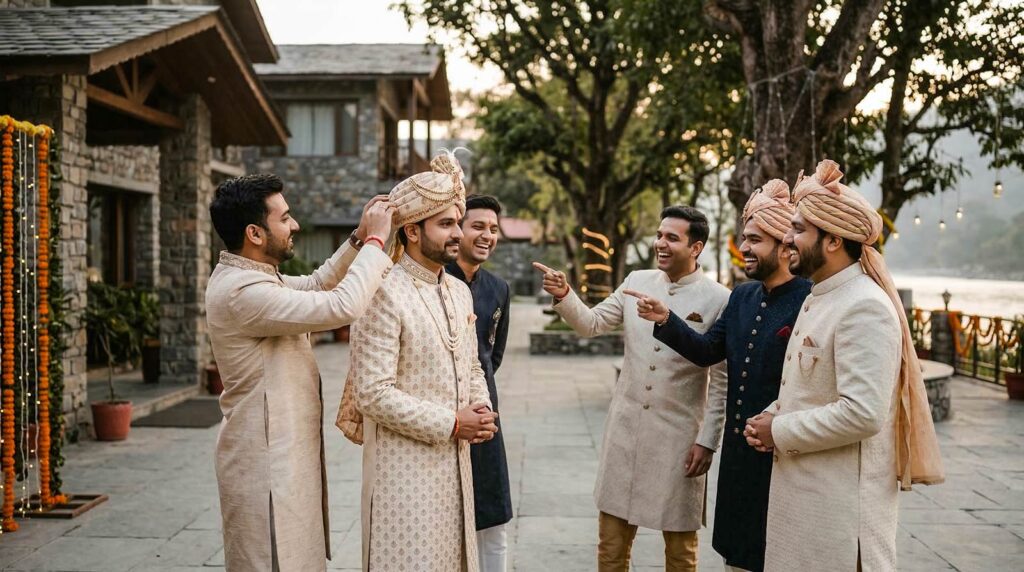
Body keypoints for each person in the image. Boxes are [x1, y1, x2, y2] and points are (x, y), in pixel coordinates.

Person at [743, 160, 944, 571]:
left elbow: (862, 413)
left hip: (837, 520)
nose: (786, 238)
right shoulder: (822, 296)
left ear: (832, 241)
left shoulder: (864, 306)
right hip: (807, 507)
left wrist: (778, 430)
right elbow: (811, 388)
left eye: (798, 229)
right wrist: (772, 414)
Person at [205, 174, 394, 571]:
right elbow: (340, 306)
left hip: (283, 454)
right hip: (264, 464)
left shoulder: (255, 276)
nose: (295, 226)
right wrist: (377, 244)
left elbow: (316, 284)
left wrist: (359, 239)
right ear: (255, 233)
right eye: (285, 218)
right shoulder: (243, 292)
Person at [627, 180, 811, 572]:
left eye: (755, 240)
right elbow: (709, 351)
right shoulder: (743, 296)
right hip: (739, 455)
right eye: (745, 238)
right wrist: (666, 320)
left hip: (785, 452)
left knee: (778, 551)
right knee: (736, 552)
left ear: (784, 245)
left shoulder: (809, 299)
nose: (743, 248)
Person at [533, 205, 729, 572]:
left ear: (697, 247)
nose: (661, 243)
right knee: (610, 546)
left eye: (672, 237)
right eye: (659, 235)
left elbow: (720, 381)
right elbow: (591, 324)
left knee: (681, 550)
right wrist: (565, 296)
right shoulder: (636, 281)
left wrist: (708, 440)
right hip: (625, 432)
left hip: (679, 439)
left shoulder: (719, 298)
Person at [349, 152, 497, 572]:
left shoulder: (458, 291)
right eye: (446, 224)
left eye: (457, 222)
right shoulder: (382, 290)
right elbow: (372, 394)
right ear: (412, 231)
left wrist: (480, 408)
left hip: (457, 465)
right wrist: (452, 422)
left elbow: (471, 365)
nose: (459, 233)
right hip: (404, 474)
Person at [445, 195, 514, 572]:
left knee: (494, 514)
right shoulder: (437, 282)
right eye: (478, 226)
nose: (487, 235)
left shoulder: (498, 288)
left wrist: (480, 395)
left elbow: (493, 355)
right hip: (444, 416)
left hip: (486, 414)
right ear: (458, 230)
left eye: (493, 228)